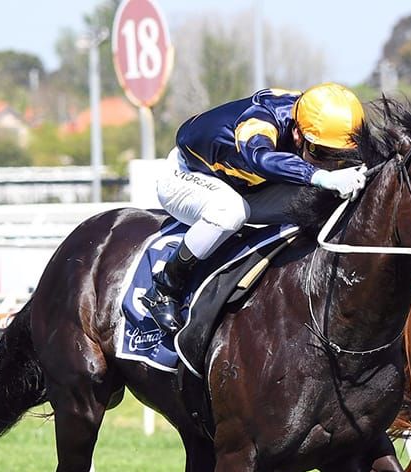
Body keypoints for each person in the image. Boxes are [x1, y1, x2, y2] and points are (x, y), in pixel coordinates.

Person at [144, 82, 369, 334]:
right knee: (230, 211)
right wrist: (323, 178)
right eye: (321, 152)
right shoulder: (259, 122)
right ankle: (165, 288)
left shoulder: (320, 119)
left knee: (323, 201)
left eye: (338, 156)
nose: (330, 164)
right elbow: (261, 159)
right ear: (297, 134)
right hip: (187, 175)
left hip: (245, 183)